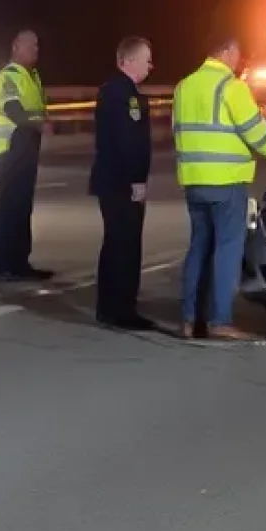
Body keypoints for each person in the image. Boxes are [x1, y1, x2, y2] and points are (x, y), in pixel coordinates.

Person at [172, 29, 266, 341]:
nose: (239, 60)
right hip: (227, 182)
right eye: (238, 54)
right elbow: (255, 132)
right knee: (227, 251)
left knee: (198, 249)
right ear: (228, 52)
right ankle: (220, 321)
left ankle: (189, 321)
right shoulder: (230, 87)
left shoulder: (184, 86)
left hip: (194, 181)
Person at [90, 35, 156, 330]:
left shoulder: (114, 90)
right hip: (122, 183)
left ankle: (108, 306)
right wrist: (137, 180)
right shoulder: (124, 94)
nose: (151, 66)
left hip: (111, 180)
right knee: (125, 245)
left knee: (114, 243)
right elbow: (129, 142)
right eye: (146, 59)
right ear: (128, 61)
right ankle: (122, 310)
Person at [0, 29, 54, 282]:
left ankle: (19, 262)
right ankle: (3, 264)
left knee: (22, 207)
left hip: (27, 147)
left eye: (37, 46)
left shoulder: (32, 77)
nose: (36, 50)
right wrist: (39, 124)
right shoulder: (8, 77)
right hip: (10, 148)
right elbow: (13, 110)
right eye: (31, 46)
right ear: (16, 46)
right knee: (10, 207)